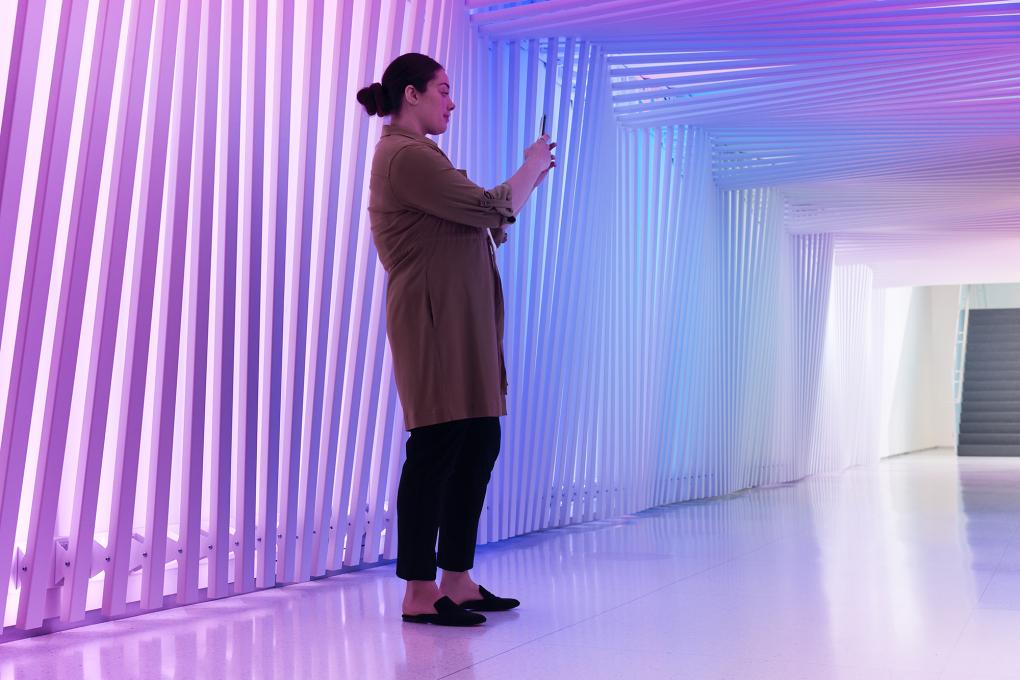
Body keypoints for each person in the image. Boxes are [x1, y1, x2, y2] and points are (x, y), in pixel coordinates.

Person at [357, 53, 555, 627]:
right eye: (443, 90)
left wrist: (531, 176)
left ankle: (457, 579)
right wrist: (528, 167)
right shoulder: (404, 155)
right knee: (439, 448)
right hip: (435, 323)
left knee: (476, 443)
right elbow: (491, 209)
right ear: (412, 94)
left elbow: (491, 221)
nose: (452, 101)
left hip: (461, 323)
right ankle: (420, 591)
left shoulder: (424, 157)